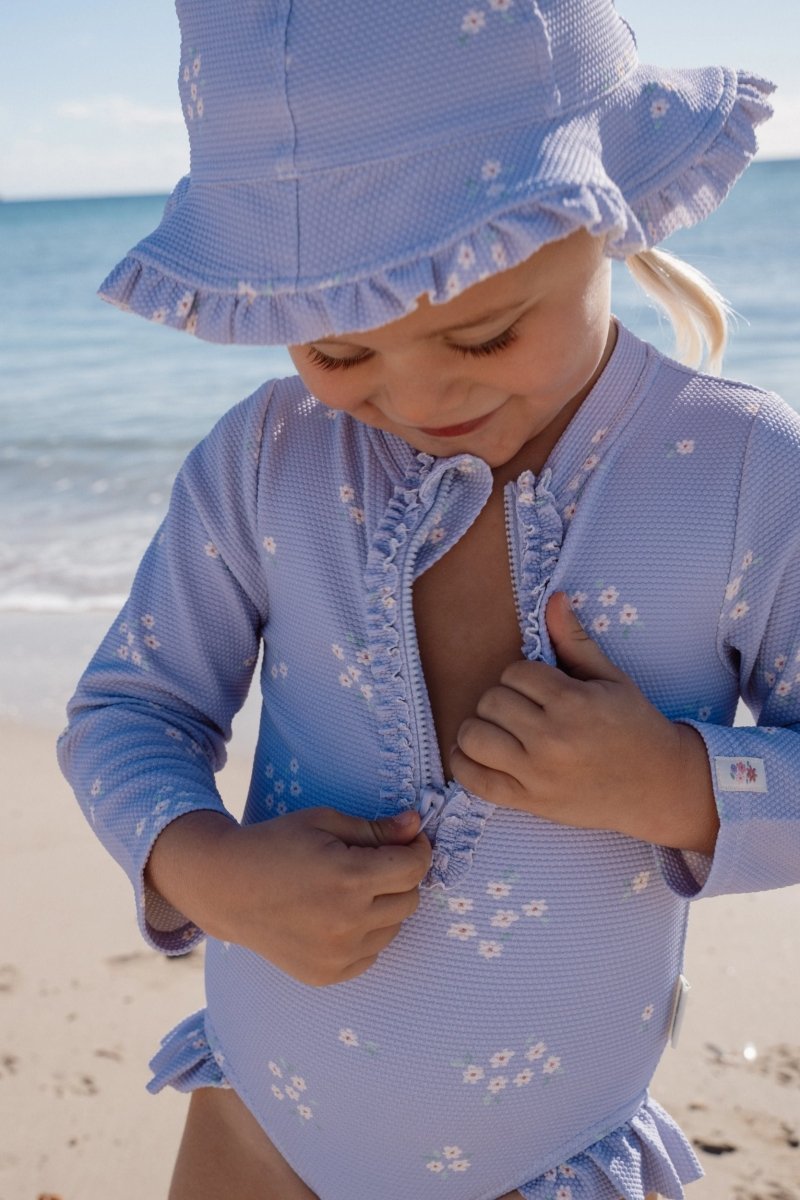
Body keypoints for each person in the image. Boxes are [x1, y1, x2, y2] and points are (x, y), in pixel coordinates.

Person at [56, 2, 799, 1198]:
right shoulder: (267, 459)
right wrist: (204, 869)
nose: (414, 400)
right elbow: (128, 711)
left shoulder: (741, 473)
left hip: (545, 1162)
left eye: (484, 333)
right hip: (259, 1124)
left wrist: (674, 783)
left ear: (599, 213)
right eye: (337, 352)